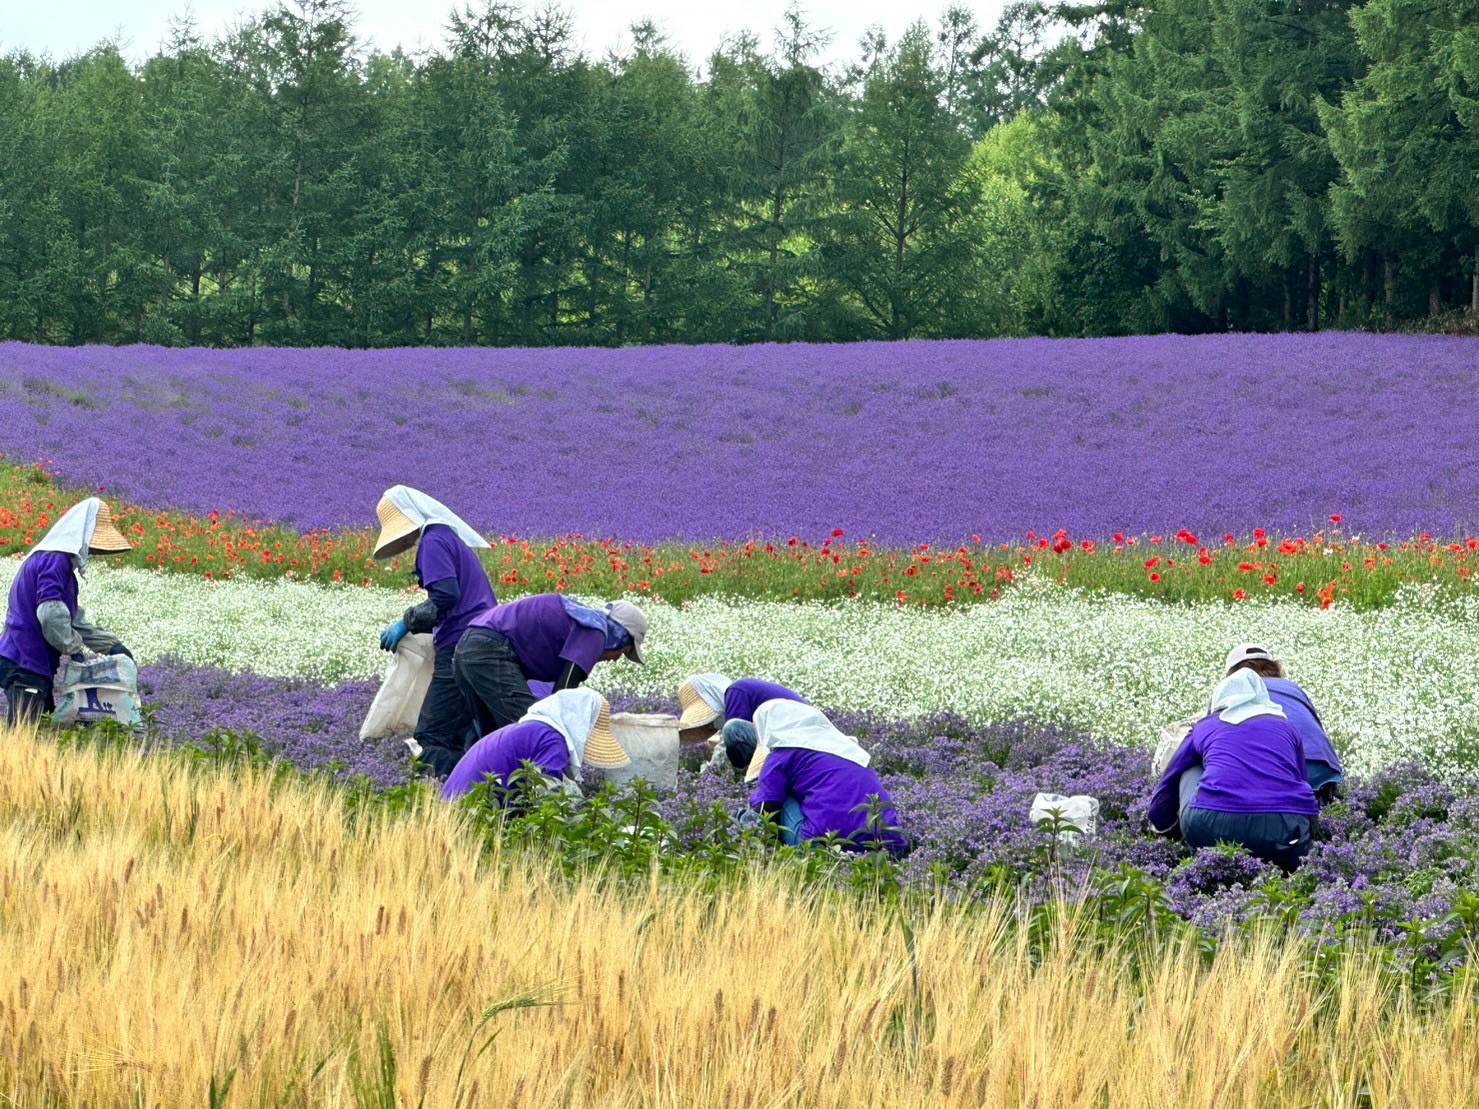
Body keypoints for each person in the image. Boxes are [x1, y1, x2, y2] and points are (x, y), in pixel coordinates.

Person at [371, 486, 498, 777]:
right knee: (462, 733)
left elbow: (445, 596)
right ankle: (470, 795)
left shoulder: (434, 542)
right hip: (483, 640)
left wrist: (407, 621)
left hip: (462, 645)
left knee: (434, 733)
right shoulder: (447, 538)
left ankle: (439, 801)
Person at [1148, 670, 1318, 872]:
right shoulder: (1286, 727)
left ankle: (1206, 865)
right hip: (1285, 829)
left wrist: (1160, 821)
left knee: (1191, 768)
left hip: (1210, 826)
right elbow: (1301, 778)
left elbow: (1172, 775)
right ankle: (1290, 863)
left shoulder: (1205, 726)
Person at [0, 498, 133, 725]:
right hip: (26, 661)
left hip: (30, 662)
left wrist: (110, 645)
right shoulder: (55, 561)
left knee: (39, 731)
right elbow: (50, 615)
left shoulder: (54, 562)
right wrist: (73, 648)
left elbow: (73, 620)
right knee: (24, 733)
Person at [453, 593, 648, 740]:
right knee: (532, 731)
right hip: (490, 650)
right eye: (623, 651)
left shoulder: (583, 619)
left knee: (489, 736)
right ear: (619, 637)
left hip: (468, 643)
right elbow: (561, 697)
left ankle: (482, 791)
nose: (616, 660)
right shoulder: (596, 631)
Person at [740, 699, 908, 857]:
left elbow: (763, 808)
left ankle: (792, 854)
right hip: (888, 848)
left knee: (779, 796)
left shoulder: (782, 754)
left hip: (826, 848)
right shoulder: (848, 750)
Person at [441, 688, 629, 802]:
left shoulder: (534, 730)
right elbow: (547, 797)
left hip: (456, 805)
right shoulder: (553, 740)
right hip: (473, 808)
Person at [1224, 643, 1343, 803]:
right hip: (1324, 766)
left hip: (1279, 769)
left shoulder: (1232, 690)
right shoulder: (1292, 688)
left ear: (1232, 675)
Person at [675, 673, 808, 770]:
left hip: (797, 740)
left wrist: (711, 775)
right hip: (799, 740)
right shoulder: (740, 694)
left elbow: (728, 743)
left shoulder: (736, 691)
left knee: (732, 729)